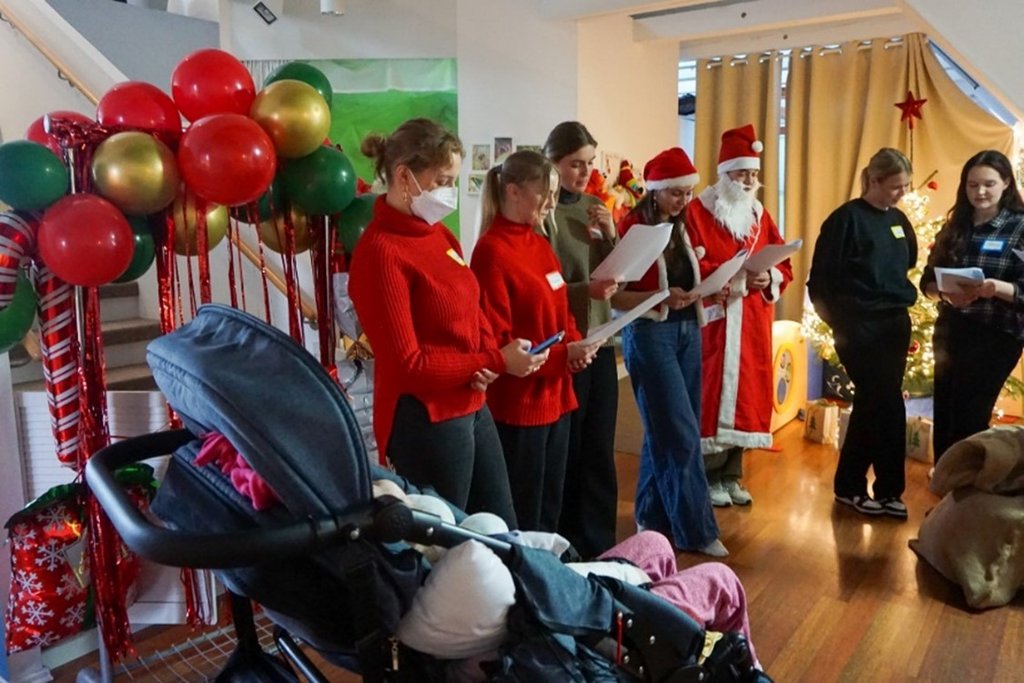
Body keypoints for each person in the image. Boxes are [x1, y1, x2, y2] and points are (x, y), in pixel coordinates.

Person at [348, 118, 546, 528]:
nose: (450, 193)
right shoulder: (380, 252)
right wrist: (490, 359)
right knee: (447, 541)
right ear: (404, 176)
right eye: (442, 180)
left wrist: (487, 363)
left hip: (471, 402)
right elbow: (408, 364)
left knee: (502, 530)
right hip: (428, 417)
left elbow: (473, 306)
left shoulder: (439, 235)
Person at [471, 150, 602, 531]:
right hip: (520, 406)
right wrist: (564, 355)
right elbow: (498, 338)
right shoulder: (492, 251)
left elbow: (563, 311)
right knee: (524, 513)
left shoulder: (540, 243)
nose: (550, 202)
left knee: (550, 507)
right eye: (544, 192)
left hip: (556, 398)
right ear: (512, 191)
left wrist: (577, 346)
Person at [613, 147, 727, 557]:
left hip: (686, 331)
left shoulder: (685, 224)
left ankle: (651, 514)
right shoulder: (632, 226)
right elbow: (617, 293)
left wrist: (714, 284)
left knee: (668, 427)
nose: (684, 201)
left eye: (687, 193)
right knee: (679, 432)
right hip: (650, 334)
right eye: (675, 193)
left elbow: (697, 268)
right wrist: (664, 295)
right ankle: (695, 531)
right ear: (655, 192)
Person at [685, 124, 792, 508]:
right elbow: (691, 262)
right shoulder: (697, 211)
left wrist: (770, 275)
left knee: (746, 394)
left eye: (754, 174)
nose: (749, 181)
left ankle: (732, 474)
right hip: (715, 320)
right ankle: (708, 474)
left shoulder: (761, 214)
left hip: (751, 322)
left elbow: (782, 259)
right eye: (742, 173)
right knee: (712, 396)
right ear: (725, 172)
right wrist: (728, 278)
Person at [807, 147, 916, 518]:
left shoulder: (900, 221)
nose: (901, 193)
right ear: (873, 180)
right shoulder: (845, 220)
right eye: (895, 187)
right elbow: (819, 282)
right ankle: (879, 489)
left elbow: (907, 263)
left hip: (894, 323)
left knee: (877, 403)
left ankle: (859, 488)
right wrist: (843, 325)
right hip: (859, 328)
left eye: (905, 187)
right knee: (885, 401)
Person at [543, 121, 620, 557]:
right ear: (553, 163)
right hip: (566, 345)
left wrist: (611, 235)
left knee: (598, 451)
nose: (584, 172)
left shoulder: (595, 206)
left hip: (601, 339)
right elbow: (543, 282)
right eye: (575, 164)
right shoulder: (545, 213)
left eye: (590, 163)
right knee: (569, 452)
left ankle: (601, 546)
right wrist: (583, 290)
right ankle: (569, 546)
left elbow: (617, 273)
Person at [920, 150, 1024, 461]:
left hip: (996, 336)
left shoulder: (1019, 227)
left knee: (969, 419)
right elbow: (927, 281)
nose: (980, 192)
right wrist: (944, 294)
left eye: (989, 184)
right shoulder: (956, 226)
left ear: (1006, 183)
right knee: (946, 415)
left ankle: (966, 500)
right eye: (972, 184)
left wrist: (996, 288)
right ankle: (945, 494)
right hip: (952, 330)